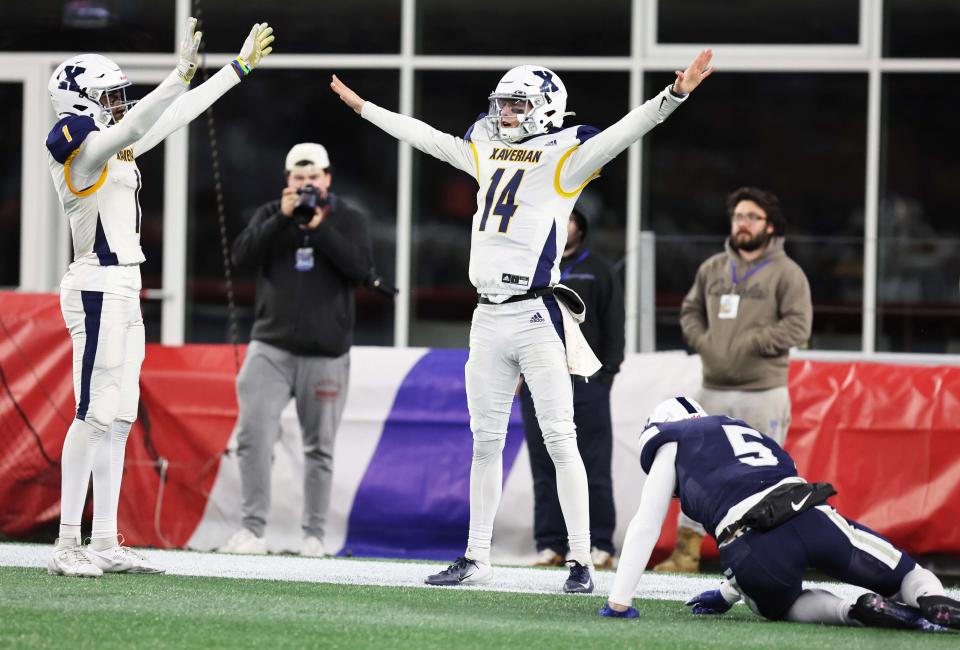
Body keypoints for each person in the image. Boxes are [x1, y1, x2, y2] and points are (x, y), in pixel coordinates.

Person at [330, 49, 714, 592]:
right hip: (486, 316)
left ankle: (580, 559)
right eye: (503, 102)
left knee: (561, 438)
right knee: (484, 442)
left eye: (517, 103)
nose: (505, 112)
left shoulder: (566, 154)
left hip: (536, 313)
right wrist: (366, 108)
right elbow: (427, 137)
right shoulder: (486, 148)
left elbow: (625, 132)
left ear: (545, 107)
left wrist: (672, 96)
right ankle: (476, 556)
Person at [45, 17, 275, 577]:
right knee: (93, 411)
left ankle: (103, 540)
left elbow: (173, 115)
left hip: (125, 283)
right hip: (96, 282)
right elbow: (134, 126)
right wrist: (174, 75)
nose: (121, 104)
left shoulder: (112, 145)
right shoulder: (81, 152)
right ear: (79, 101)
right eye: (110, 96)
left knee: (120, 416)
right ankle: (66, 542)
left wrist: (234, 71)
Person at [599, 396, 960, 632]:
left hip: (752, 551)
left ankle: (851, 611)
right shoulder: (744, 430)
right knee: (907, 573)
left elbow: (647, 521)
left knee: (783, 605)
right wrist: (726, 594)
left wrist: (619, 602)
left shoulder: (672, 439)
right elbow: (769, 504)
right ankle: (930, 598)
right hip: (809, 515)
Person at [218, 142, 374, 557]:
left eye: (313, 178)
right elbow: (241, 257)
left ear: (327, 178)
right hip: (270, 345)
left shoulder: (349, 218)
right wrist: (284, 219)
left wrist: (319, 229)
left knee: (319, 447)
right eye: (299, 179)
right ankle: (252, 530)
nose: (307, 185)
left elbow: (361, 270)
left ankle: (314, 536)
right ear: (288, 181)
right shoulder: (272, 214)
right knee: (253, 437)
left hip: (326, 351)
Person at [656, 187, 812, 573]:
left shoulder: (788, 273)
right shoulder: (712, 268)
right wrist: (704, 342)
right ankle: (686, 552)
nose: (743, 224)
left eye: (752, 217)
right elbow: (690, 311)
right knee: (694, 472)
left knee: (763, 477)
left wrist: (754, 342)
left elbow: (799, 325)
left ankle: (759, 558)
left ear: (769, 225)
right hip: (712, 388)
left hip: (763, 392)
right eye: (738, 217)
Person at [519, 205, 624, 570]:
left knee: (594, 463)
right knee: (543, 465)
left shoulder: (599, 271)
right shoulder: (526, 265)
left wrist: (606, 374)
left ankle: (601, 544)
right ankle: (550, 544)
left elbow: (614, 324)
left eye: (567, 217)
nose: (560, 224)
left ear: (580, 226)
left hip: (586, 382)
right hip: (538, 380)